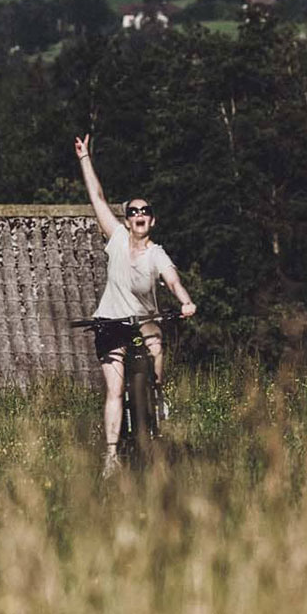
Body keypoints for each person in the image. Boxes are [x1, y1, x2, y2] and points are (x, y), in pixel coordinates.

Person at [76, 135, 195, 476]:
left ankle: (156, 398)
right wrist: (85, 158)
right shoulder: (114, 239)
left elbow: (172, 280)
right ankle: (111, 455)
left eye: (145, 211)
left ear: (152, 221)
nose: (139, 215)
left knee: (156, 342)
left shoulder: (157, 254)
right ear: (126, 220)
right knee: (114, 389)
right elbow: (97, 198)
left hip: (143, 321)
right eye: (133, 211)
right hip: (110, 323)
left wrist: (185, 301)